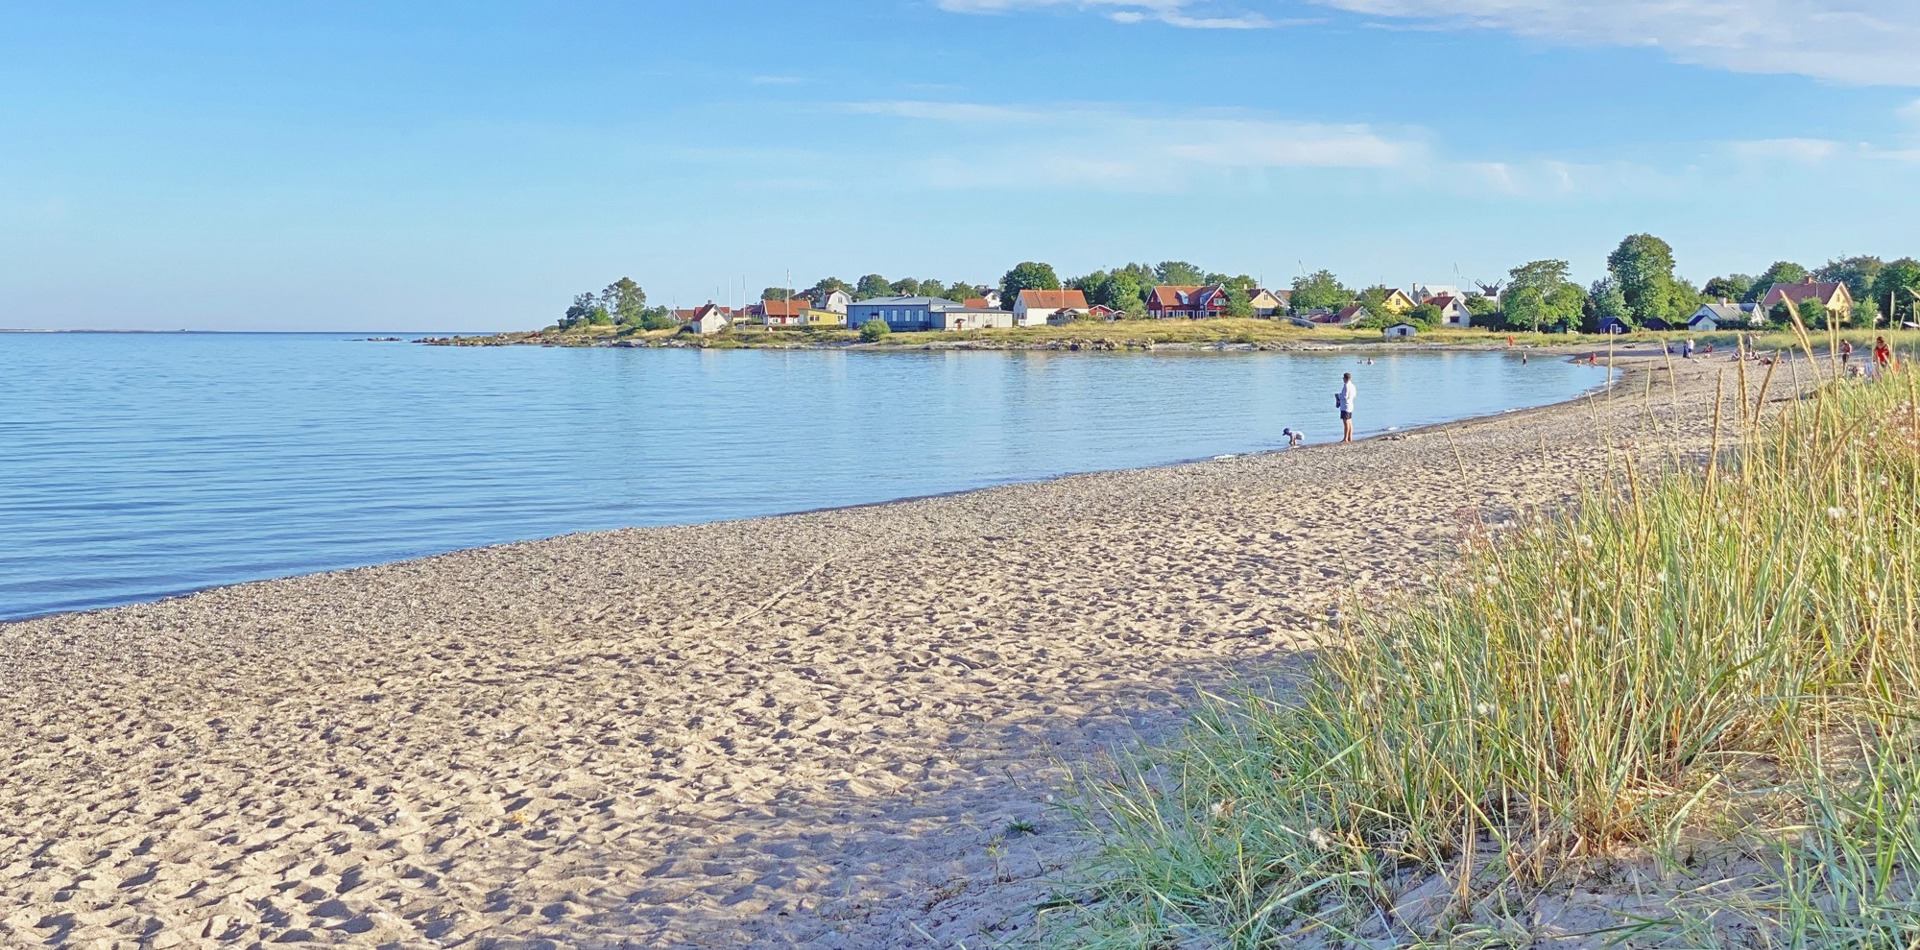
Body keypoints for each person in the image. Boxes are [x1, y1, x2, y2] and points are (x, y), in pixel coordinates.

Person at [1335, 372, 1357, 443]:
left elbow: (1345, 396)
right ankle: (1350, 437)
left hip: (1345, 406)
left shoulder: (1346, 386)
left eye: (1343, 378)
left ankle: (1345, 438)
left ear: (1345, 378)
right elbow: (1354, 395)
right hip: (1350, 405)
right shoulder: (1353, 385)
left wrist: (1339, 396)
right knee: (1350, 422)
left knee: (1346, 423)